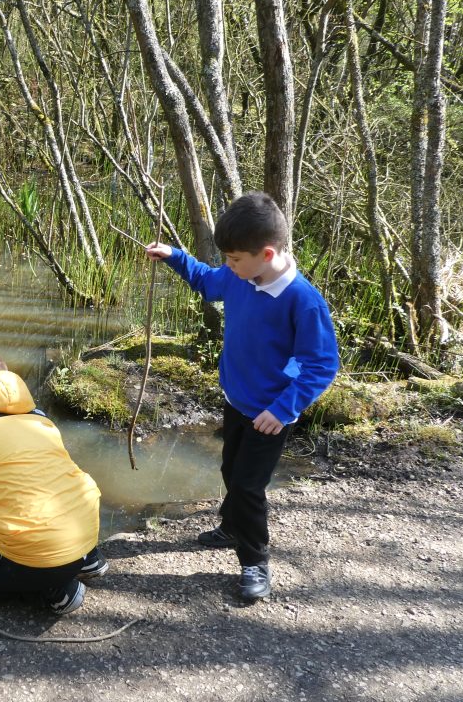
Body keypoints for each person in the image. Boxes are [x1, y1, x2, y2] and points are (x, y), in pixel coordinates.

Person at [145, 193, 339, 600]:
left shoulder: (303, 301)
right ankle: (231, 526)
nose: (228, 267)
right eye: (228, 260)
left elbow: (320, 365)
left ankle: (254, 560)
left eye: (234, 259)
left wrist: (284, 408)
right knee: (230, 471)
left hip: (271, 413)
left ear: (266, 253)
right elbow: (205, 280)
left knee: (249, 487)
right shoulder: (238, 277)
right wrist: (174, 256)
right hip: (236, 400)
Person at [0, 353, 107, 615]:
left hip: (42, 554)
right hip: (85, 530)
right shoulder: (40, 418)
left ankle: (56, 587)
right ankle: (87, 558)